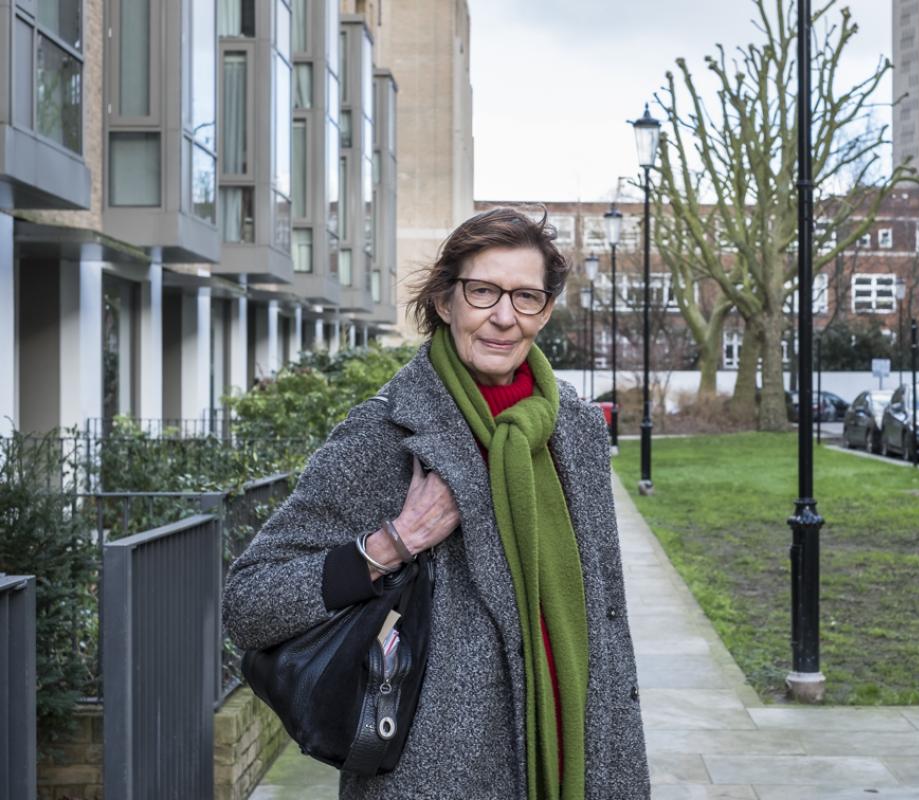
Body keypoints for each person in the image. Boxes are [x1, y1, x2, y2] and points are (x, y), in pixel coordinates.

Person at [222, 207, 650, 800]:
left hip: (579, 760)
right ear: (446, 302)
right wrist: (390, 544)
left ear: (546, 311)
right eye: (483, 292)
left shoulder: (574, 431)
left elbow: (606, 621)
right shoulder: (386, 434)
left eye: (526, 296)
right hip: (435, 777)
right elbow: (248, 602)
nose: (504, 316)